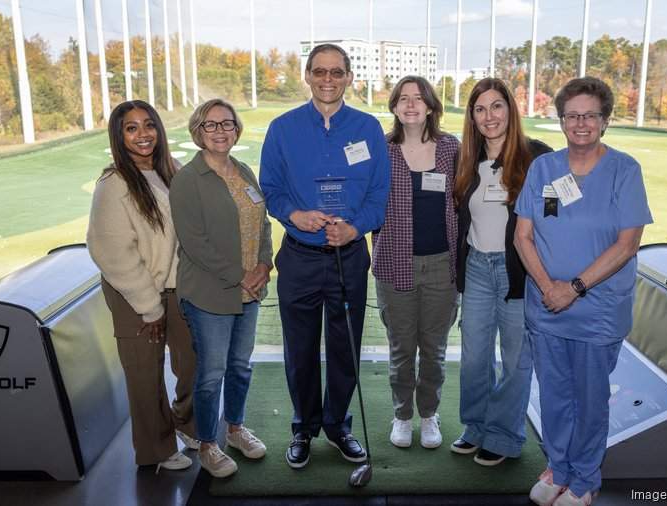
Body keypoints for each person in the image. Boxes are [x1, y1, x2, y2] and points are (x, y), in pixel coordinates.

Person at [514, 77, 652, 506]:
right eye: (572, 115)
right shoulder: (544, 169)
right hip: (547, 306)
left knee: (590, 400)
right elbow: (523, 236)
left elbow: (627, 245)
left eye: (590, 115)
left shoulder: (624, 171)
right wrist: (547, 288)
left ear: (605, 121)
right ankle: (559, 467)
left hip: (598, 311)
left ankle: (585, 479)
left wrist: (572, 288)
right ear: (561, 121)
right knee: (553, 395)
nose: (580, 123)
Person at [259, 43, 390, 469]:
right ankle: (303, 427)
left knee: (344, 346)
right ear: (308, 76)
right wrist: (294, 214)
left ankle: (337, 426)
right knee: (298, 347)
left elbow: (379, 194)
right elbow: (272, 189)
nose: (328, 79)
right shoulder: (282, 128)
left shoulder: (368, 127)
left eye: (337, 72)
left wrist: (357, 227)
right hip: (299, 256)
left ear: (350, 77)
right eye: (320, 72)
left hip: (349, 256)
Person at [87, 100, 199, 473]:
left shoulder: (171, 171)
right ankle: (156, 448)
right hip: (134, 293)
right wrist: (149, 307)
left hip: (177, 288)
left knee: (193, 362)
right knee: (145, 373)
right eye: (131, 128)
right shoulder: (113, 183)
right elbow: (112, 251)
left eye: (148, 125)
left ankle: (186, 422)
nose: (142, 135)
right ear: (119, 137)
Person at [170, 98, 273, 479]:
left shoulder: (244, 170)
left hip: (250, 290)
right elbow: (194, 241)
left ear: (236, 129)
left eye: (226, 124)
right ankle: (208, 445)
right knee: (212, 372)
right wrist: (240, 274)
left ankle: (235, 429)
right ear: (198, 131)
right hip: (210, 292)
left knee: (240, 366)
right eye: (210, 125)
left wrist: (264, 263)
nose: (219, 131)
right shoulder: (187, 179)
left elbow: (263, 223)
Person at [451, 78, 552, 466]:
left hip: (519, 273)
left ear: (510, 110)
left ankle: (505, 436)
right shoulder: (468, 160)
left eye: (496, 106)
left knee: (514, 360)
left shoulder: (538, 157)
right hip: (477, 265)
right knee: (475, 357)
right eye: (479, 109)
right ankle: (475, 427)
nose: (488, 116)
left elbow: (555, 215)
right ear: (472, 117)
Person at [372, 75, 460, 449]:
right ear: (393, 107)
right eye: (403, 98)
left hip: (442, 265)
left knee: (435, 351)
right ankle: (402, 415)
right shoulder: (381, 149)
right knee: (401, 348)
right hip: (394, 263)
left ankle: (429, 413)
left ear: (431, 107)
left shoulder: (451, 148)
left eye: (418, 98)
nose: (410, 105)